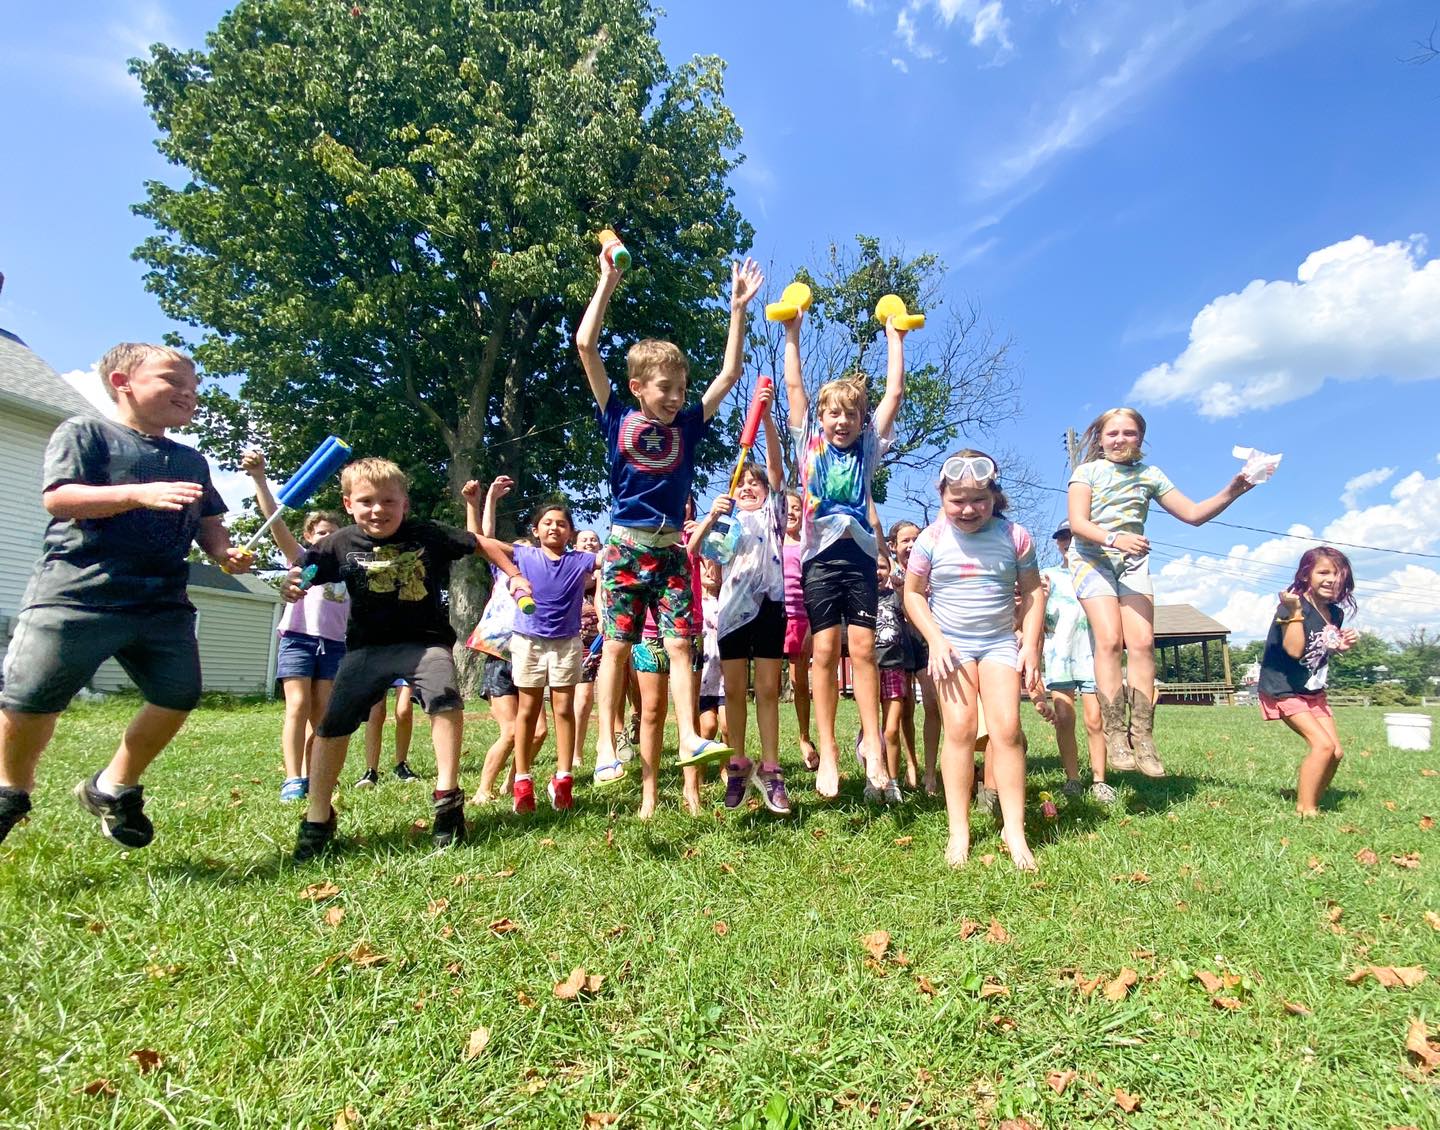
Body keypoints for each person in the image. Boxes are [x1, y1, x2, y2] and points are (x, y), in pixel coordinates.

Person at [0, 343, 250, 847]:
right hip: (78, 592)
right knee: (30, 699)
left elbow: (209, 527)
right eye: (173, 381)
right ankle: (11, 790)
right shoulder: (87, 433)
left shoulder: (190, 460)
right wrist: (138, 494)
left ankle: (113, 785)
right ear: (123, 382)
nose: (188, 393)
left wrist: (226, 554)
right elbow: (60, 498)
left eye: (194, 387)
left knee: (177, 693)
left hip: (161, 602)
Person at [576, 248, 763, 816]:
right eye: (664, 388)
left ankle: (689, 738)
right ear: (637, 386)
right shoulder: (616, 414)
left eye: (681, 387)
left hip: (673, 552)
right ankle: (608, 746)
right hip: (627, 547)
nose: (676, 396)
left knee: (682, 645)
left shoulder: (688, 422)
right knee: (616, 647)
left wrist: (737, 310)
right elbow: (586, 346)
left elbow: (730, 374)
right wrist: (607, 284)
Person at [287, 457, 494, 860]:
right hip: (366, 649)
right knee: (332, 725)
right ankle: (317, 818)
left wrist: (519, 569)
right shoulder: (339, 542)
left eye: (387, 501)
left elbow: (479, 543)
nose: (377, 509)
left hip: (425, 643)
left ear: (405, 504)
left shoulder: (428, 534)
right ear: (348, 504)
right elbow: (306, 569)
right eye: (366, 501)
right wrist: (295, 583)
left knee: (445, 697)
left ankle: (448, 803)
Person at [1067, 407, 1257, 778]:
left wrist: (1234, 490)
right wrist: (1115, 538)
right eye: (1113, 433)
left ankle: (1143, 735)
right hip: (1092, 559)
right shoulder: (1086, 472)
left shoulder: (1150, 475)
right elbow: (1078, 523)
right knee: (1108, 640)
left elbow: (1194, 514)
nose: (1120, 439)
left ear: (1140, 438)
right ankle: (1115, 733)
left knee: (1140, 643)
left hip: (1132, 563)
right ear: (1100, 438)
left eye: (1129, 433)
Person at [783, 305, 908, 800]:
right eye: (833, 412)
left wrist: (894, 336)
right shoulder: (808, 445)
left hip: (858, 554)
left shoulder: (868, 448)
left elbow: (894, 392)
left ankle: (873, 745)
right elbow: (795, 391)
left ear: (861, 420)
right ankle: (829, 753)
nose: (841, 420)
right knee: (824, 651)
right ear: (822, 417)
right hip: (818, 558)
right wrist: (792, 332)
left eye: (850, 414)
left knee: (863, 651)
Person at [903, 451, 1044, 871]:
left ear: (994, 496)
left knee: (1008, 729)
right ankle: (959, 830)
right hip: (952, 646)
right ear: (942, 495)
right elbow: (912, 594)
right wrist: (935, 639)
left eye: (979, 499)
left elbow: (1033, 594)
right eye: (957, 499)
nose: (968, 509)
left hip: (1000, 641)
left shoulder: (1015, 536)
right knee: (961, 729)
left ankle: (1014, 830)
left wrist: (1031, 645)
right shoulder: (930, 540)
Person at [687, 384, 791, 815]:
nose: (749, 486)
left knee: (767, 689)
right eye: (743, 482)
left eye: (756, 483)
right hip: (731, 614)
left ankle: (770, 769)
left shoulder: (774, 514)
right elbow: (698, 552)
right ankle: (738, 764)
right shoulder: (726, 524)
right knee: (733, 692)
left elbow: (776, 467)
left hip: (770, 608)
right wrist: (714, 515)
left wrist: (765, 418)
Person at [469, 494, 595, 813]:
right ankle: (522, 782)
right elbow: (483, 542)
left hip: (567, 643)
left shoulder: (579, 560)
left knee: (564, 709)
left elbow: (616, 558)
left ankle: (563, 780)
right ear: (536, 530)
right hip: (528, 641)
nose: (555, 527)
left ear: (571, 533)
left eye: (562, 524)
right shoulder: (524, 555)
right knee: (528, 709)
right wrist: (513, 573)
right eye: (548, 523)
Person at [241, 448, 348, 803]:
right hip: (299, 640)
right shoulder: (301, 561)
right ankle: (292, 778)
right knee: (297, 705)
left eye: (332, 533)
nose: (325, 537)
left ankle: (314, 773)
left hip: (333, 646)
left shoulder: (348, 569)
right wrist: (259, 478)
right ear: (308, 535)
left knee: (321, 716)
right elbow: (274, 517)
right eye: (319, 532)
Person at [1258, 547, 1358, 816]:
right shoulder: (1291, 606)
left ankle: (1310, 795)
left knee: (1335, 752)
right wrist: (1295, 612)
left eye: (1337, 573)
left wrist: (1341, 645)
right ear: (1306, 576)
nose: (1332, 579)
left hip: (1311, 689)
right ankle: (1306, 810)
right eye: (1323, 572)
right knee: (1322, 746)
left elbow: (1323, 643)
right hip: (1283, 688)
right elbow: (1294, 650)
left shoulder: (1334, 613)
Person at [464, 477, 545, 805]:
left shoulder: (541, 573)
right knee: (511, 731)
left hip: (530, 657)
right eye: (516, 551)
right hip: (499, 655)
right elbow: (481, 540)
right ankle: (483, 789)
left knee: (538, 732)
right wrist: (484, 502)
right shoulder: (503, 573)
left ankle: (514, 780)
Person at [1040, 522, 1114, 804]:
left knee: (1095, 719)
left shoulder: (1100, 573)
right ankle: (1072, 779)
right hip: (1060, 656)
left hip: (1093, 656)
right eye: (1062, 538)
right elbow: (1042, 623)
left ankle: (1100, 780)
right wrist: (1042, 598)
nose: (1067, 542)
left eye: (1073, 537)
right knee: (1064, 719)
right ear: (1058, 543)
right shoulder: (1047, 576)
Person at [890, 519, 940, 795]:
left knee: (932, 704)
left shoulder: (931, 570)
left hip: (927, 641)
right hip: (899, 641)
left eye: (915, 539)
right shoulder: (889, 573)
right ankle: (911, 764)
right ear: (893, 546)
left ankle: (930, 773)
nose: (910, 545)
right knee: (904, 708)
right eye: (904, 541)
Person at [782, 491, 819, 771]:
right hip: (778, 618)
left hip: (806, 619)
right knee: (781, 684)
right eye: (786, 507)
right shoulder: (771, 542)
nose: (792, 512)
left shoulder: (809, 544)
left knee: (806, 681)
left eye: (796, 507)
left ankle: (806, 737)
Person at [873, 549, 910, 804]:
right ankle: (874, 779)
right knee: (871, 731)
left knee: (891, 729)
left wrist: (902, 589)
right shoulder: (859, 598)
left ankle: (893, 782)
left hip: (895, 666)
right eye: (872, 567)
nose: (877, 572)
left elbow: (911, 613)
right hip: (870, 671)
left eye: (882, 567)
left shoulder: (896, 596)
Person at [572, 528, 604, 764]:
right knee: (582, 700)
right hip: (577, 644)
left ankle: (606, 744)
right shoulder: (570, 569)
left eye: (593, 539)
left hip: (604, 642)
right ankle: (575, 751)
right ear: (575, 546)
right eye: (584, 540)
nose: (589, 542)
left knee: (605, 697)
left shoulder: (606, 572)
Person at [357, 680, 419, 787]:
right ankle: (371, 771)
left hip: (404, 664)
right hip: (378, 664)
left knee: (404, 711)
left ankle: (401, 765)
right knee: (376, 713)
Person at [697, 557, 727, 746]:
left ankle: (727, 768)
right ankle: (700, 769)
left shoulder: (728, 601)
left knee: (728, 726)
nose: (710, 571)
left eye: (715, 565)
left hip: (726, 676)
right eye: (704, 566)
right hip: (703, 678)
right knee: (708, 727)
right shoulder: (694, 604)